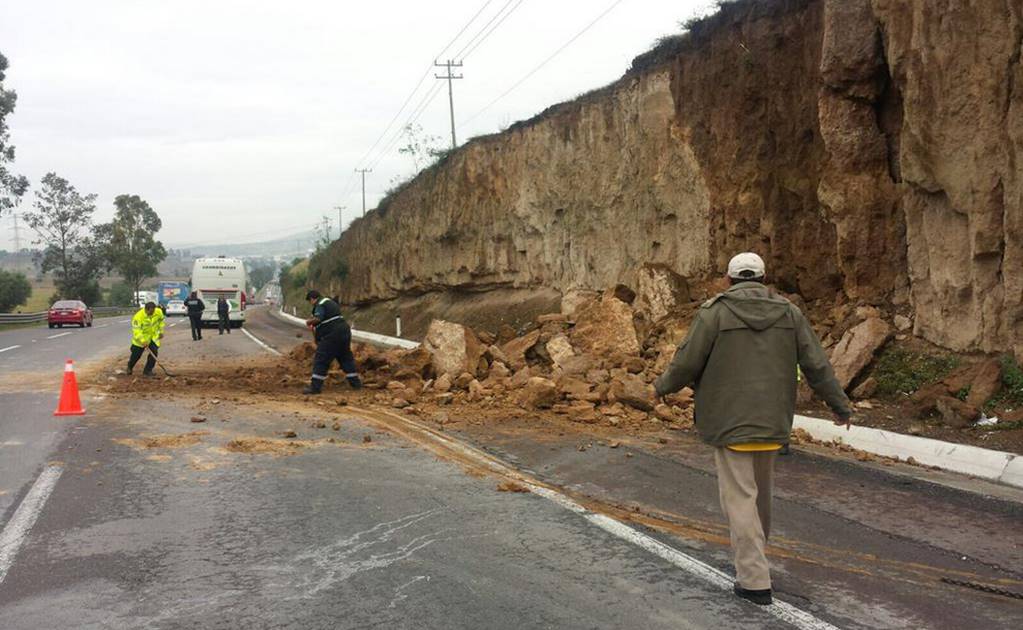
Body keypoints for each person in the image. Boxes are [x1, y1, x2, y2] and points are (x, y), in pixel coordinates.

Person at [653, 252, 852, 606]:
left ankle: (754, 579)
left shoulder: (714, 313)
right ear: (763, 279)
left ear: (729, 280)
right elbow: (817, 365)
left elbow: (686, 363)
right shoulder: (789, 313)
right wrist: (840, 406)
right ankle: (756, 556)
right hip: (773, 421)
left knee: (740, 500)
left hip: (729, 421)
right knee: (761, 497)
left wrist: (660, 388)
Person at [302, 289, 362, 394]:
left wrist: (309, 322)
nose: (311, 304)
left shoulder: (320, 304)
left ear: (312, 299)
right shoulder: (330, 302)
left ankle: (315, 387)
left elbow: (318, 318)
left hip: (332, 335)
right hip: (344, 332)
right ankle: (356, 384)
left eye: (310, 301)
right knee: (345, 357)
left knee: (321, 358)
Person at [127, 301, 166, 377]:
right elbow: (137, 331)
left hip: (153, 338)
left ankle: (148, 371)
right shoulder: (138, 317)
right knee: (136, 355)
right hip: (140, 340)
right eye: (150, 312)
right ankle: (130, 367)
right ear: (146, 309)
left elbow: (161, 320)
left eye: (153, 311)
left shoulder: (158, 312)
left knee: (154, 352)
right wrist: (143, 341)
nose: (152, 313)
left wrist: (161, 331)